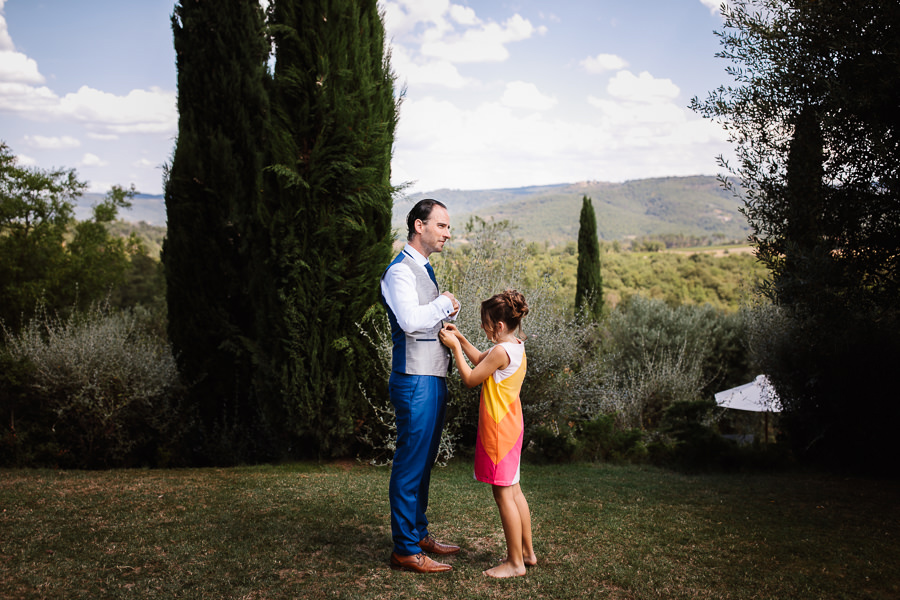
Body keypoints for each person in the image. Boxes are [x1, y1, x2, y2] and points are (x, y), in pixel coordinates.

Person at [380, 198, 461, 574]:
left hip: (433, 377)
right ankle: (405, 550)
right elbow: (411, 322)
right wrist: (443, 304)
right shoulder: (399, 272)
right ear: (418, 225)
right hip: (414, 380)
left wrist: (445, 314)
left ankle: (418, 533)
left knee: (424, 464)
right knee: (410, 466)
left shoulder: (422, 269)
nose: (447, 233)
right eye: (442, 225)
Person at [439, 290, 537, 578]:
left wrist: (454, 349)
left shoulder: (500, 351)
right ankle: (528, 554)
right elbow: (482, 359)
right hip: (512, 427)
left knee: (502, 494)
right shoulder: (515, 347)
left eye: (485, 323)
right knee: (515, 491)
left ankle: (515, 563)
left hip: (498, 431)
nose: (483, 327)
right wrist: (461, 339)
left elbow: (470, 378)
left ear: (500, 326)